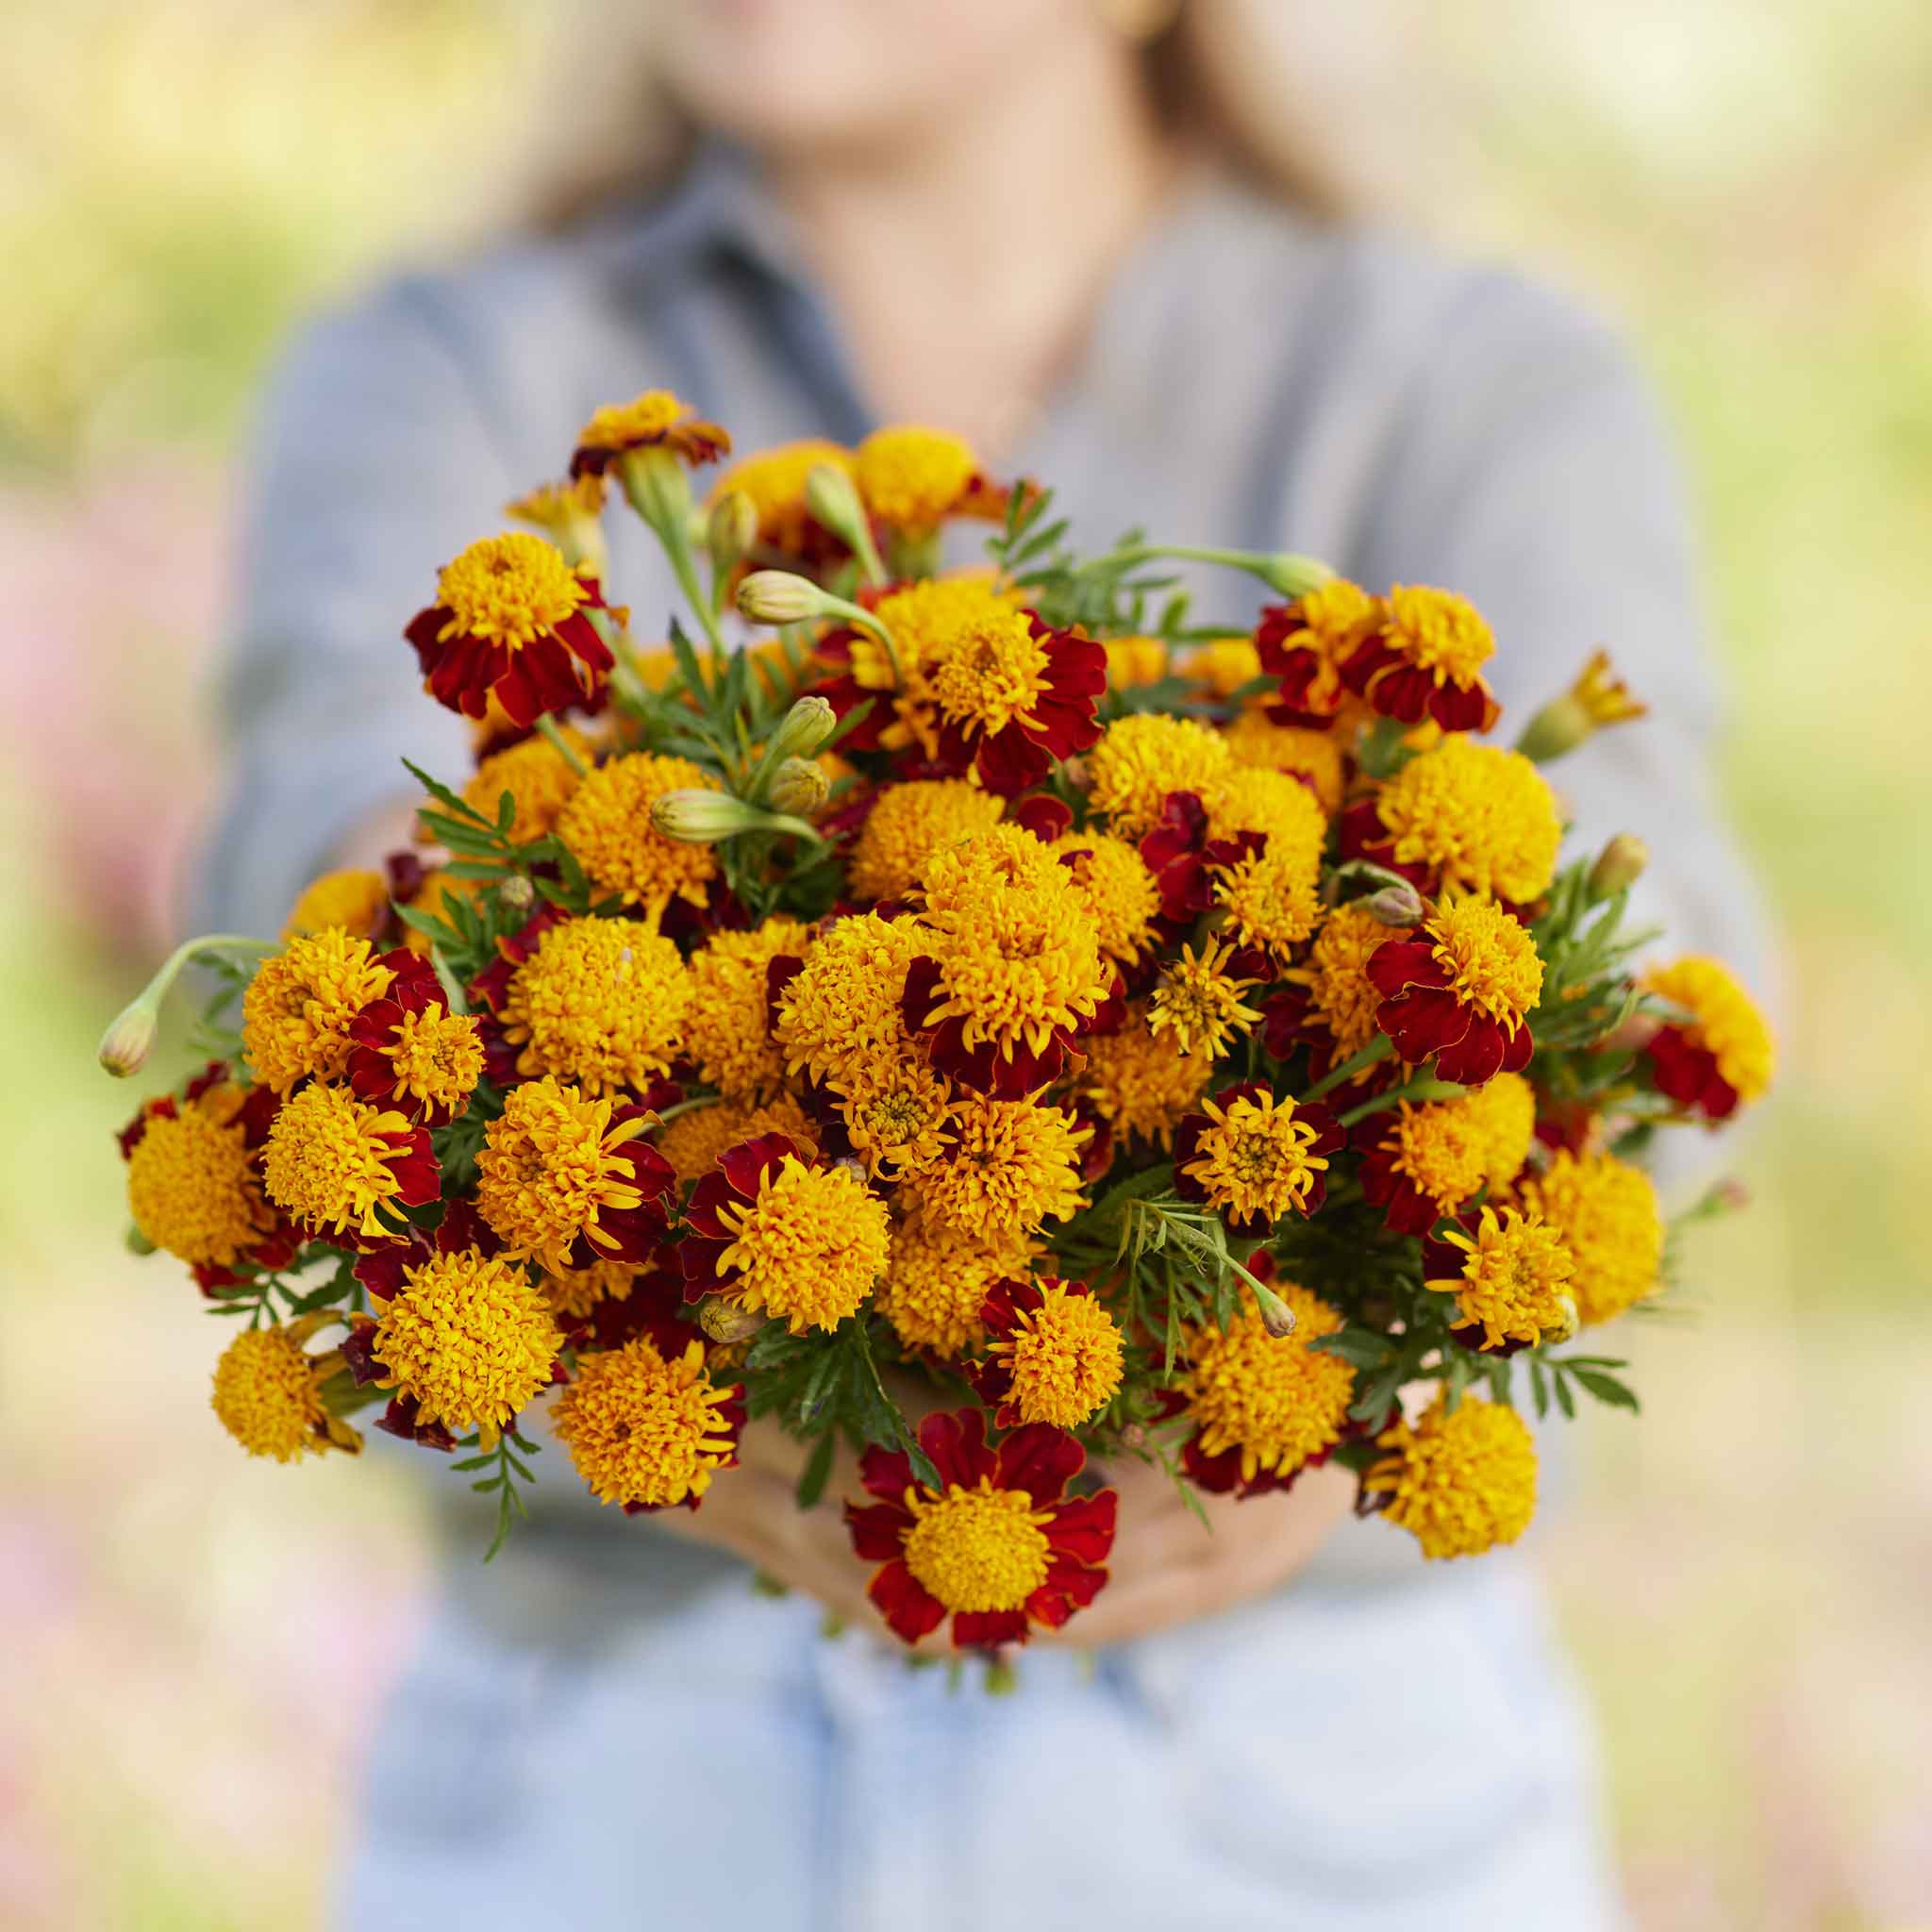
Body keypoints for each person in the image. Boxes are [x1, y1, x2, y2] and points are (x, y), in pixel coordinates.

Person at [198, 3, 1766, 1926]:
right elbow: (318, 897)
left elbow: (1653, 983)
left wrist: (1311, 1398)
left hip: (1295, 1779)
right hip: (615, 1767)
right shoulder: (446, 360)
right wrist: (640, 1334)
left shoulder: (1462, 375)